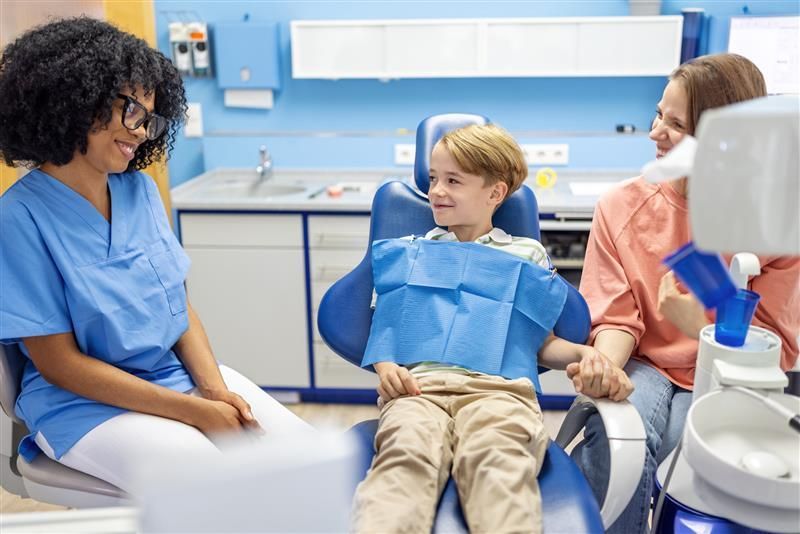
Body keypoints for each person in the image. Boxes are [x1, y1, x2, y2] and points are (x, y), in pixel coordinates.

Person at [0, 17, 310, 494]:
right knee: (219, 487)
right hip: (80, 405)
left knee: (306, 463)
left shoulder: (139, 192)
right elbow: (59, 364)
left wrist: (214, 392)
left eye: (150, 118)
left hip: (173, 377)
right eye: (131, 112)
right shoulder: (19, 218)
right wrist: (197, 413)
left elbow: (178, 306)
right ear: (75, 100)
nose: (143, 132)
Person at [351, 124, 632, 533]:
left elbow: (540, 343)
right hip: (419, 391)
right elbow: (387, 330)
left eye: (452, 181)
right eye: (432, 179)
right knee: (404, 459)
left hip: (498, 393)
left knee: (496, 461)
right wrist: (385, 368)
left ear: (495, 194)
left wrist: (583, 353)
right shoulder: (412, 254)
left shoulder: (525, 255)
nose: (436, 191)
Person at [569, 52, 800, 534]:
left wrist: (703, 324)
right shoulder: (622, 207)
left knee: (693, 450)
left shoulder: (774, 221)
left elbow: (773, 349)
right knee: (616, 442)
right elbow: (617, 317)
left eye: (676, 124)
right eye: (658, 114)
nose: (655, 132)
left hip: (727, 371)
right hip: (647, 363)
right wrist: (605, 368)